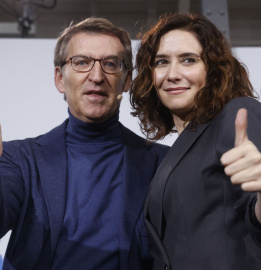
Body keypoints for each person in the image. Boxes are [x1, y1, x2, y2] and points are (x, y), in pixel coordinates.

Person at [0, 17, 169, 270]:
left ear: (126, 80)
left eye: (111, 64)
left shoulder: (163, 163)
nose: (97, 76)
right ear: (59, 78)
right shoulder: (19, 159)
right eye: (81, 62)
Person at [130, 13, 261, 270]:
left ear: (213, 70)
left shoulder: (236, 114)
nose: (172, 74)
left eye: (188, 60)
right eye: (161, 62)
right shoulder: (180, 149)